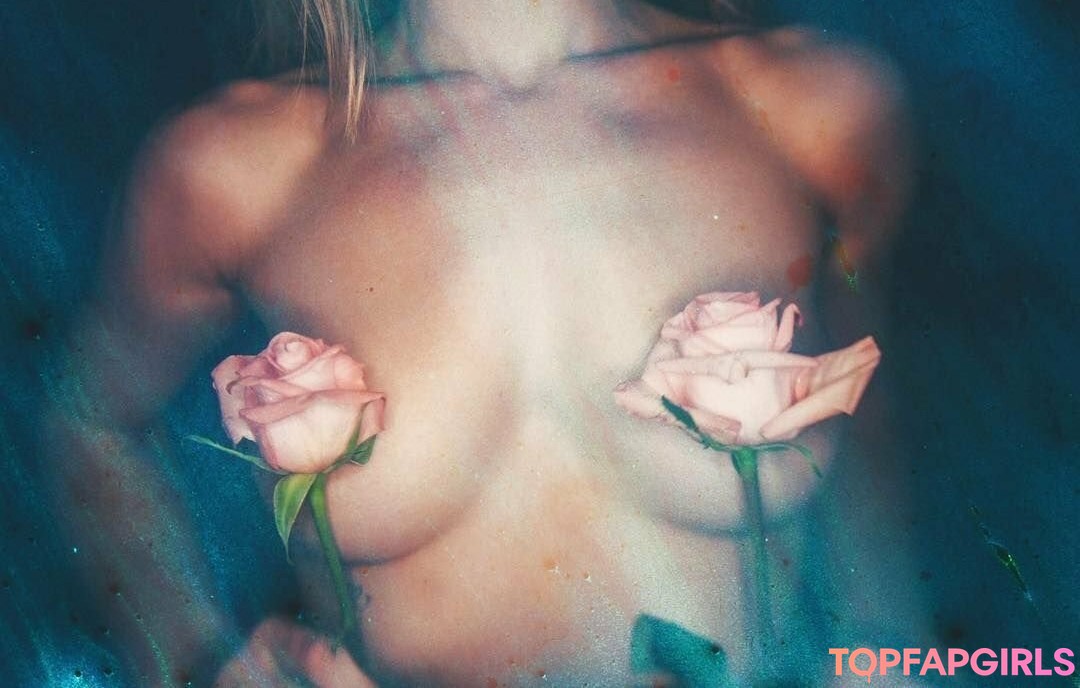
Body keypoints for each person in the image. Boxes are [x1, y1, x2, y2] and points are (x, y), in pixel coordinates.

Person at [48, 0, 917, 685]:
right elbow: (88, 425)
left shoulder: (813, 105)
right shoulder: (232, 166)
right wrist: (194, 659)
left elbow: (867, 407)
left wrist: (886, 648)